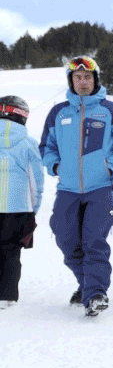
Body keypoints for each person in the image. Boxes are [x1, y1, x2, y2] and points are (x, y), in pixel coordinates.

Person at [39, 56, 113, 316]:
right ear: (71, 80)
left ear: (96, 80)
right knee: (66, 238)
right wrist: (56, 167)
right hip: (68, 189)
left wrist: (110, 167)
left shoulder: (111, 110)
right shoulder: (58, 112)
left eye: (88, 77)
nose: (83, 82)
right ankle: (86, 284)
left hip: (101, 188)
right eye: (78, 77)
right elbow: (47, 148)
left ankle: (95, 294)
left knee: (94, 241)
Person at [0, 96, 43, 308]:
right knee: (10, 249)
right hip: (17, 206)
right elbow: (36, 181)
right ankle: (6, 296)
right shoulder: (28, 143)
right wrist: (33, 207)